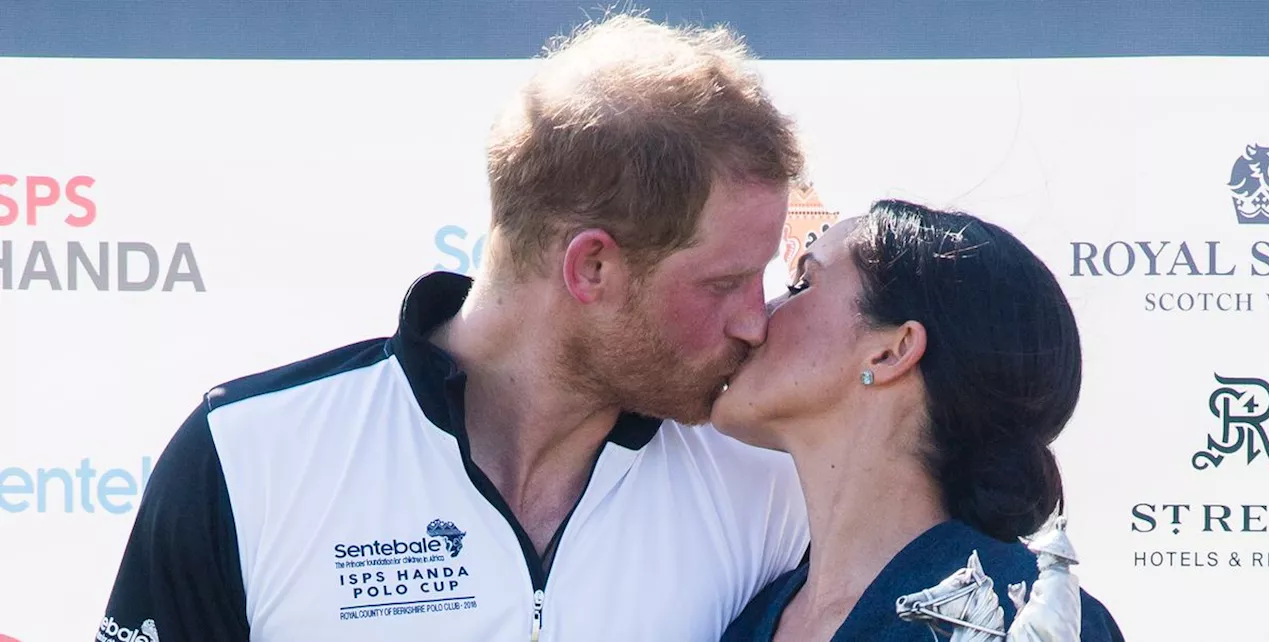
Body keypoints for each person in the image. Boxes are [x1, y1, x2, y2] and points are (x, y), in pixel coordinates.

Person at [97, 13, 810, 642]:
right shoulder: (249, 456)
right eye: (725, 283)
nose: (756, 320)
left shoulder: (775, 486)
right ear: (592, 266)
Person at [713, 199, 1127, 641]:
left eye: (802, 284)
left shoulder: (1022, 616)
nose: (755, 320)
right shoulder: (748, 617)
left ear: (892, 351)